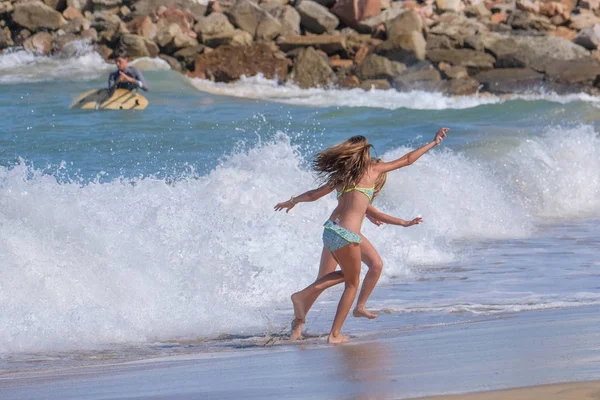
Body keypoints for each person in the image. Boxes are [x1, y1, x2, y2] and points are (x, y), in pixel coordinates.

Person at [278, 129, 448, 344]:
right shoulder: (373, 169)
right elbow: (407, 159)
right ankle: (332, 332)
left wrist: (293, 201)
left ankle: (305, 322)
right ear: (366, 155)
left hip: (332, 230)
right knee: (350, 281)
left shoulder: (342, 176)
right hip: (347, 235)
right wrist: (433, 143)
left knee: (370, 266)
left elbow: (315, 194)